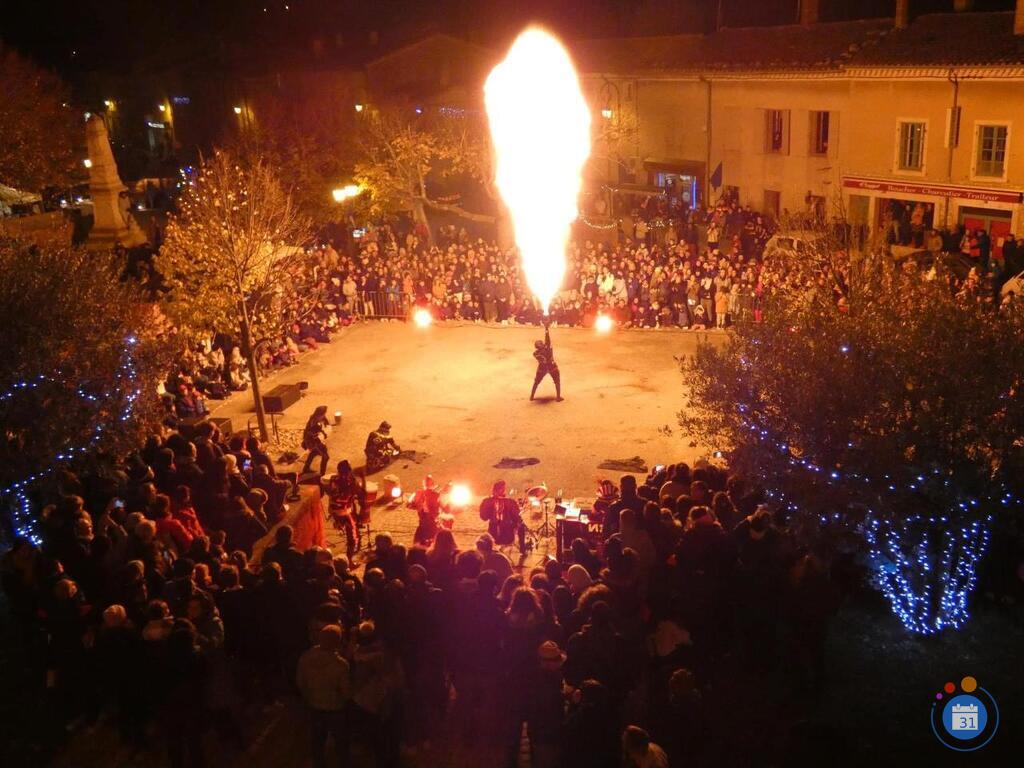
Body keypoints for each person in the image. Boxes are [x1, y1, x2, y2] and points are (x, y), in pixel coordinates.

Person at [296, 624, 351, 768]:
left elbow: (300, 683)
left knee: (317, 743)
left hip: (314, 706)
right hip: (335, 708)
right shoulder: (341, 665)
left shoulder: (305, 657)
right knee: (341, 743)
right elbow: (346, 692)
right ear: (338, 641)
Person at [328, 460, 362, 559]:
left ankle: (339, 525)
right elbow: (359, 492)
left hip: (332, 510)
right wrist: (362, 478)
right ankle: (350, 560)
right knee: (352, 537)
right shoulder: (351, 483)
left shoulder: (332, 478)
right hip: (344, 511)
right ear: (348, 471)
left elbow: (332, 492)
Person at [478, 480, 524, 551]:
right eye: (503, 489)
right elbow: (517, 518)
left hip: (492, 535)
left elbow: (483, 517)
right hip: (508, 536)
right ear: (502, 490)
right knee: (522, 524)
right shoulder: (510, 502)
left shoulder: (487, 501)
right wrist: (516, 525)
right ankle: (522, 548)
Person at [530, 327, 562, 401]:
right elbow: (548, 340)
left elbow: (547, 341)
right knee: (557, 382)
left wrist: (546, 330)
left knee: (536, 382)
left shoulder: (535, 353)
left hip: (542, 368)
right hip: (552, 367)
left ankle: (531, 397)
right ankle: (558, 397)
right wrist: (546, 330)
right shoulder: (547, 348)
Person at [409, 475, 442, 546]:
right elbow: (410, 505)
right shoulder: (436, 494)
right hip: (430, 525)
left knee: (420, 546)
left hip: (426, 524)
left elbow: (410, 505)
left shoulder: (420, 493)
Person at [301, 406, 331, 476]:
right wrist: (323, 436)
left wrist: (327, 425)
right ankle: (322, 474)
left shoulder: (319, 417)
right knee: (325, 457)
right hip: (311, 441)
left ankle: (306, 468)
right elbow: (314, 438)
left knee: (314, 453)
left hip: (313, 438)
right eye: (323, 414)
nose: (324, 416)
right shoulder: (313, 423)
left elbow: (326, 421)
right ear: (319, 414)